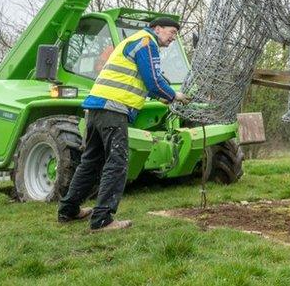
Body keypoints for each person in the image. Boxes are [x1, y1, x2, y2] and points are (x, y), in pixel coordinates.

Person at [57, 16, 190, 231]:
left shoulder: (136, 40)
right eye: (172, 32)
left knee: (90, 161)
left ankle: (68, 210)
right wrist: (175, 95)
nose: (173, 38)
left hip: (97, 107)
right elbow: (154, 81)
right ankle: (102, 220)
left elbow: (144, 79)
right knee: (117, 162)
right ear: (157, 28)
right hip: (114, 108)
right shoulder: (148, 42)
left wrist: (162, 95)